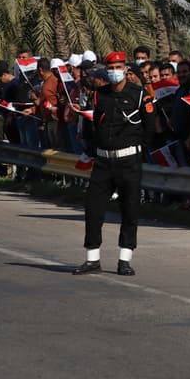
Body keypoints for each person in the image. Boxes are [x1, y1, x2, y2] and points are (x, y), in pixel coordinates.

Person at [73, 51, 156, 276]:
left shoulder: (140, 95)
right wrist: (92, 149)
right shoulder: (100, 95)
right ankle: (92, 258)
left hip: (129, 161)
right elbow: (92, 124)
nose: (114, 72)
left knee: (129, 210)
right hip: (103, 161)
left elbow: (149, 129)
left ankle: (125, 259)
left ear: (126, 70)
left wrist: (138, 150)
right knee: (93, 209)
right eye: (111, 68)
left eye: (118, 67)